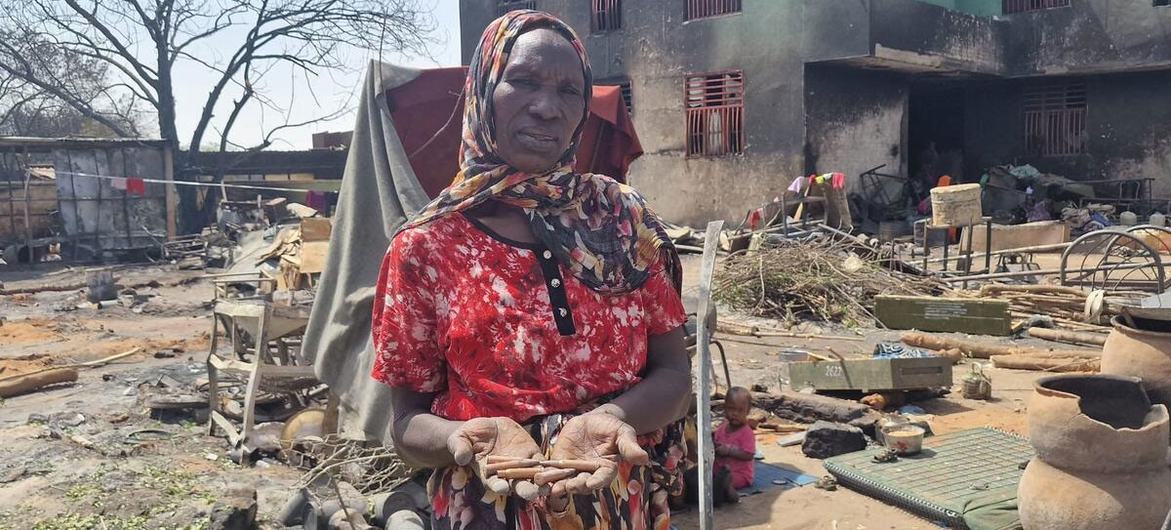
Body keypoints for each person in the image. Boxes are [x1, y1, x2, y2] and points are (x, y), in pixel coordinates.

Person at [371, 10, 691, 530]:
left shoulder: (621, 221)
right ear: (482, 91)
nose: (546, 108)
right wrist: (463, 438)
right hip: (486, 506)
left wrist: (612, 418)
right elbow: (406, 424)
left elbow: (675, 376)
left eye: (569, 91)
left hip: (612, 501)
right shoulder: (425, 249)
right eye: (522, 81)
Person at [714, 387, 756, 500]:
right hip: (720, 470)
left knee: (728, 478)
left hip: (740, 474)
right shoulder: (721, 429)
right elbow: (716, 444)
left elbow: (749, 455)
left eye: (740, 410)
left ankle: (729, 490)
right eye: (731, 409)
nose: (735, 414)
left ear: (747, 412)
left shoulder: (746, 432)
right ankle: (721, 487)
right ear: (725, 408)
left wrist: (729, 451)